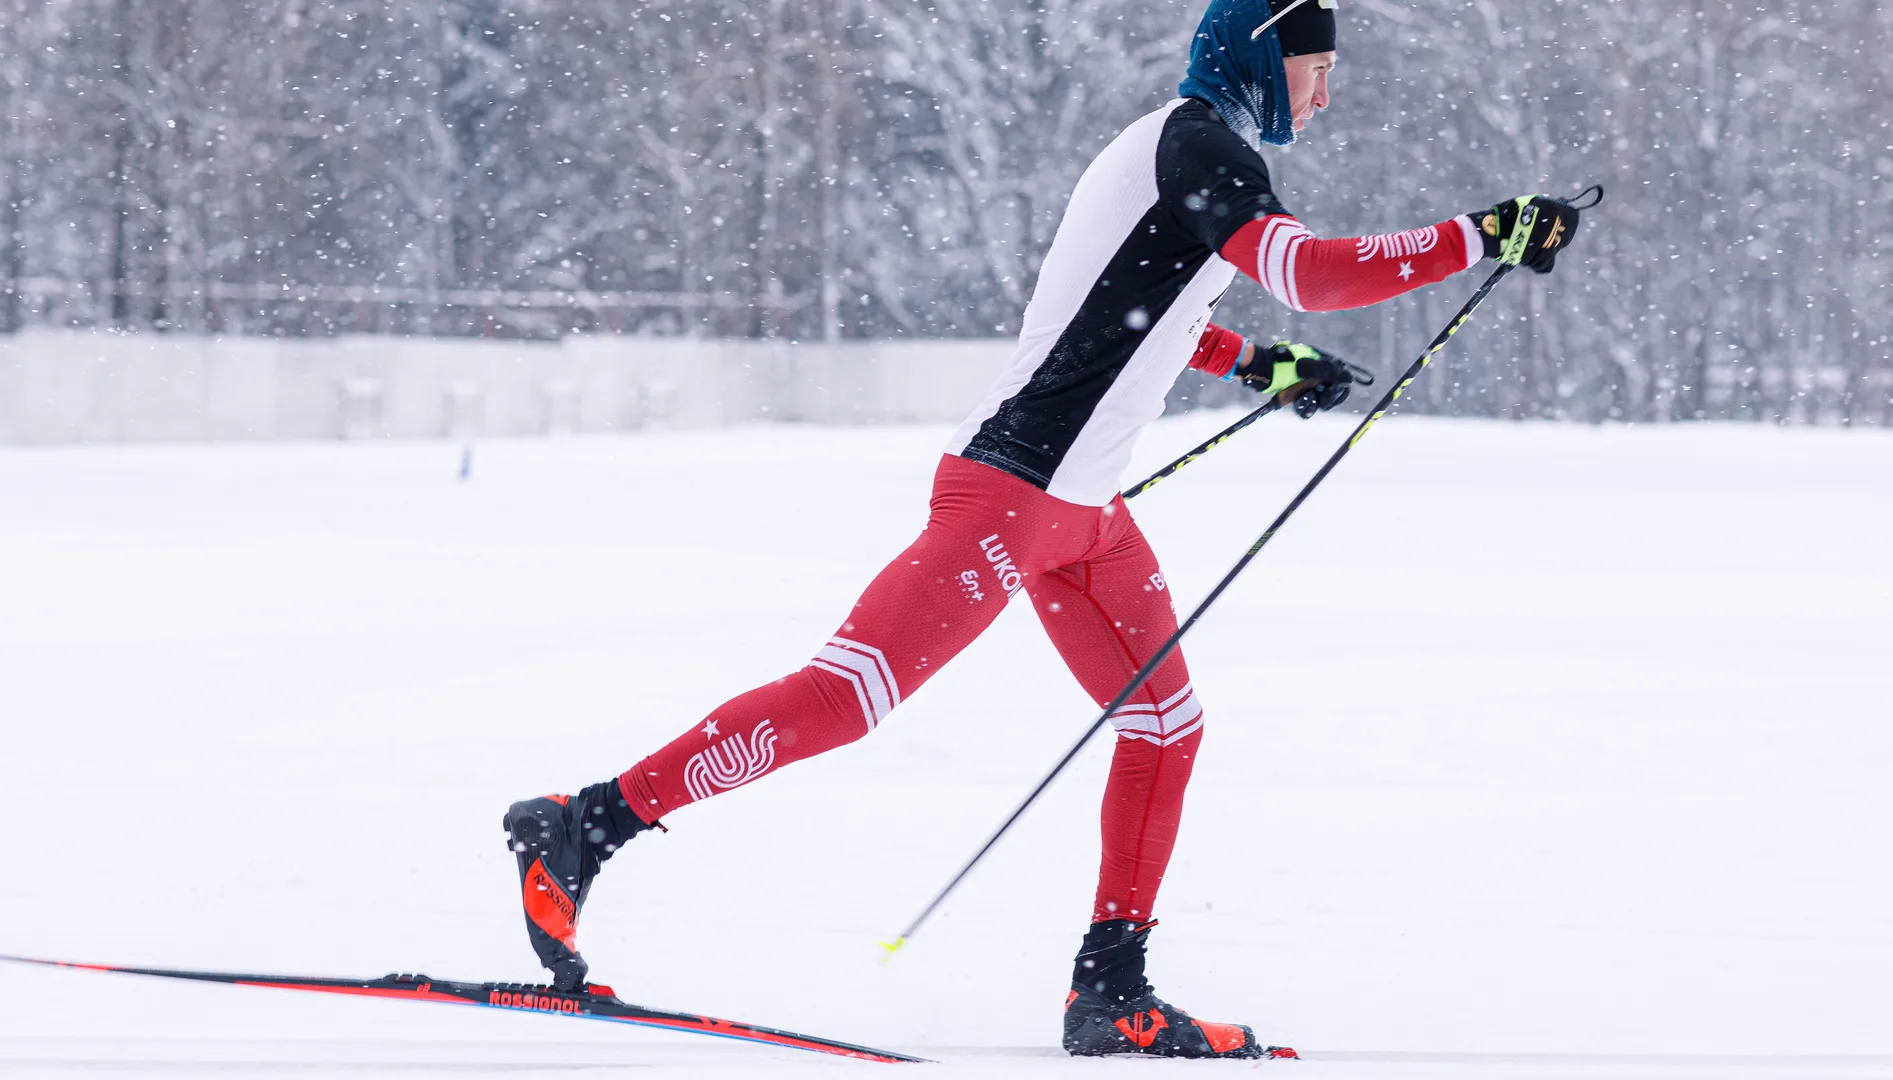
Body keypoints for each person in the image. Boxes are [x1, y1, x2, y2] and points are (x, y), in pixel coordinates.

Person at [503, 0, 1584, 1059]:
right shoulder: (1193, 144)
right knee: (849, 697)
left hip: (1087, 520)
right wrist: (1481, 233)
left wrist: (1258, 365)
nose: (1326, 84)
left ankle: (1113, 992)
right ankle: (585, 822)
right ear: (1260, 53)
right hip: (1009, 497)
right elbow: (1311, 276)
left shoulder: (1198, 159)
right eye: (1314, 61)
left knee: (1168, 725)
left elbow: (1150, 308)